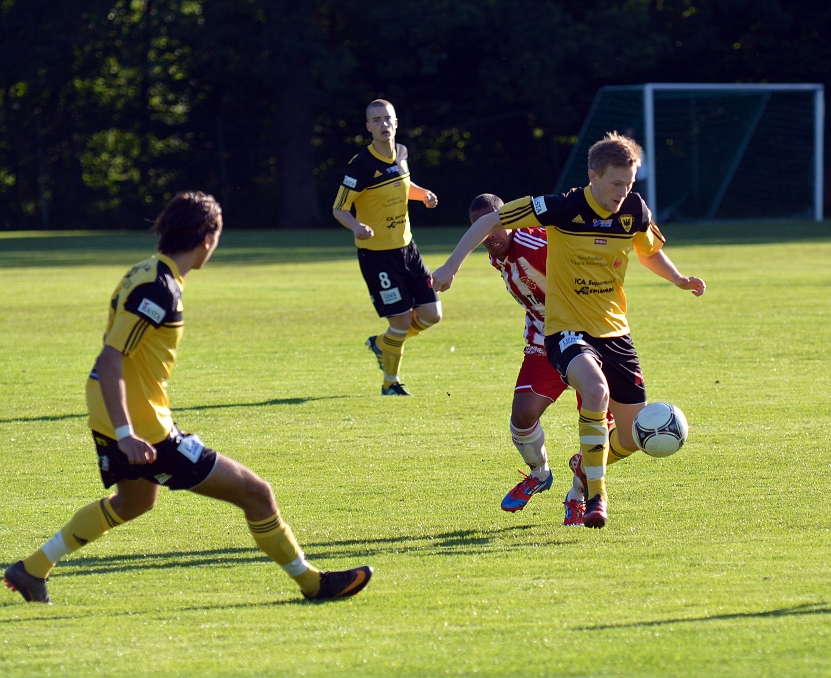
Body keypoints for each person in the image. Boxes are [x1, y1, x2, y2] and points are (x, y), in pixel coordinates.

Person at [3, 192, 372, 604]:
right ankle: (313, 583)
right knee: (257, 493)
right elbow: (111, 358)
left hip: (113, 412)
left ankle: (32, 569)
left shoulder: (147, 272)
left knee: (133, 502)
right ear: (207, 239)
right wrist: (127, 434)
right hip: (143, 429)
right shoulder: (159, 288)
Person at [433, 133, 706, 529]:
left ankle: (583, 469)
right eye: (616, 183)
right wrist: (451, 266)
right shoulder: (561, 208)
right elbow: (493, 219)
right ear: (593, 176)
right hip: (563, 331)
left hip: (614, 332)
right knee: (590, 393)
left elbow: (648, 248)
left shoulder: (633, 209)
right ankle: (592, 496)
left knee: (629, 438)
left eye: (629, 184)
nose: (623, 192)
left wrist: (678, 278)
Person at [469, 194, 615, 527]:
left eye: (493, 224)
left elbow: (577, 256)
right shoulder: (497, 252)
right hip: (543, 341)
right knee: (522, 415)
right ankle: (539, 473)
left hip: (586, 337)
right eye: (478, 229)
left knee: (598, 427)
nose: (489, 234)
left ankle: (578, 497)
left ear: (506, 219)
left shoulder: (533, 243)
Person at [333, 99, 441, 396]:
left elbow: (403, 186)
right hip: (377, 255)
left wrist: (423, 195)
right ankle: (390, 383)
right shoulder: (361, 166)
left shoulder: (402, 153)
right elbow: (339, 208)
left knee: (432, 315)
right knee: (401, 321)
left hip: (408, 248)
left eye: (387, 119)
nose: (383, 124)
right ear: (368, 127)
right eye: (376, 120)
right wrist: (356, 226)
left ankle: (382, 345)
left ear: (396, 123)